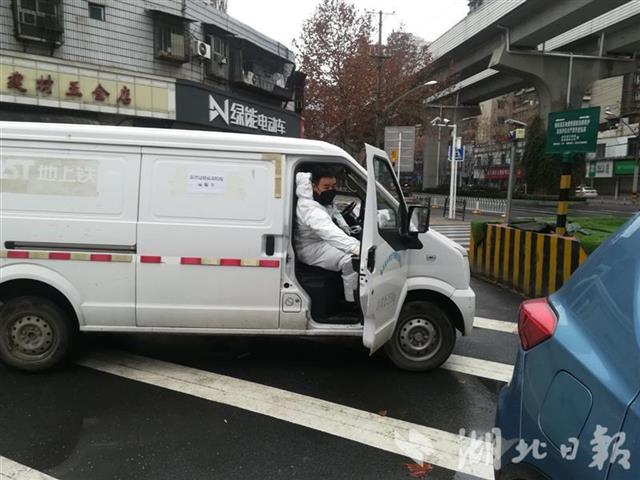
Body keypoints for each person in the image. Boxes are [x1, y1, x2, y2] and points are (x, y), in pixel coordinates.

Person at [295, 167, 360, 303]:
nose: (331, 190)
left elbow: (334, 212)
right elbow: (328, 231)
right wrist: (354, 247)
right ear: (314, 186)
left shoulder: (321, 199)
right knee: (352, 260)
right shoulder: (309, 208)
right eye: (326, 187)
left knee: (354, 250)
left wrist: (346, 229)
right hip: (310, 248)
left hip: (320, 242)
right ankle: (352, 301)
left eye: (333, 186)